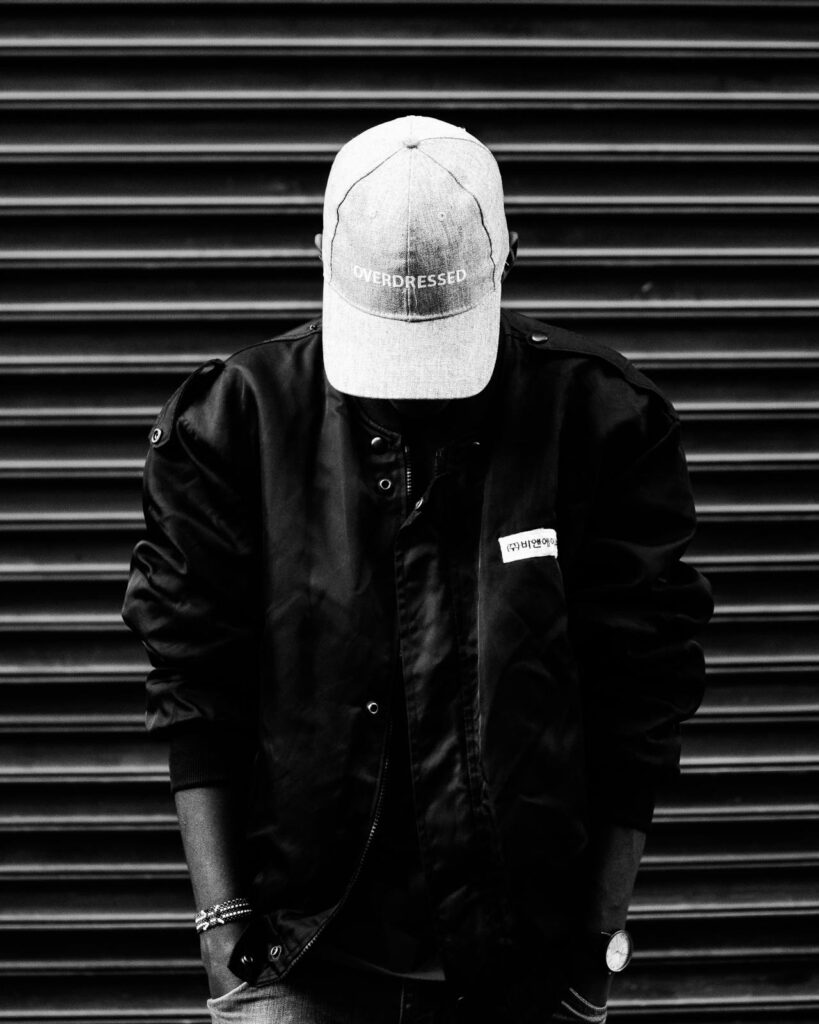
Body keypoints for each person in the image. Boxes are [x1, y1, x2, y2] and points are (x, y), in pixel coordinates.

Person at [121, 115, 713, 1023]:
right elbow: (194, 678)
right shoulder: (235, 421)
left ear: (509, 256)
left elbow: (642, 687)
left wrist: (597, 938)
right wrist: (223, 932)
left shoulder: (600, 420)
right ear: (320, 257)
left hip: (525, 961)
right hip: (299, 951)